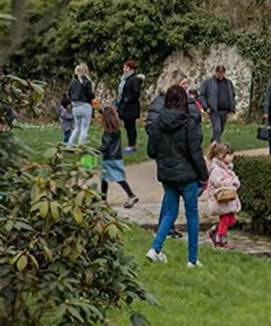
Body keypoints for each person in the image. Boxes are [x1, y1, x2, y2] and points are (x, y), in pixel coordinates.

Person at [146, 86, 209, 267]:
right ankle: (192, 259)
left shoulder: (157, 122)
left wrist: (164, 158)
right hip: (187, 176)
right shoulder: (189, 123)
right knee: (192, 216)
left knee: (169, 213)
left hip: (168, 175)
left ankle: (155, 248)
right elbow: (195, 153)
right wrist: (203, 176)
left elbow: (151, 151)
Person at [98, 107, 139, 208]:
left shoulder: (108, 132)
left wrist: (96, 150)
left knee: (115, 178)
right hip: (116, 156)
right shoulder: (116, 130)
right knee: (105, 178)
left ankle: (130, 195)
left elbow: (106, 146)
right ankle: (103, 199)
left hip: (109, 158)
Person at [205, 142, 241, 250]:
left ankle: (214, 230)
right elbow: (218, 181)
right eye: (229, 155)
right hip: (220, 199)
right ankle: (221, 240)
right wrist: (230, 182)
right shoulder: (216, 169)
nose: (231, 157)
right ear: (221, 156)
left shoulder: (228, 168)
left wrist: (235, 181)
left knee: (231, 219)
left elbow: (234, 177)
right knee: (225, 219)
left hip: (228, 198)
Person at [199, 65, 236, 144]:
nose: (220, 75)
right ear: (216, 72)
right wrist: (206, 107)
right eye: (219, 73)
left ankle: (213, 143)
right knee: (217, 129)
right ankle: (218, 147)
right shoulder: (208, 83)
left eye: (222, 73)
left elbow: (232, 94)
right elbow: (202, 95)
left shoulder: (228, 83)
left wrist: (232, 106)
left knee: (221, 129)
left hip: (225, 110)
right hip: (213, 110)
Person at [115, 60, 144, 153]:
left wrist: (128, 99)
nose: (124, 69)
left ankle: (132, 145)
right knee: (127, 126)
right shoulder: (124, 79)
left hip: (131, 107)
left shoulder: (134, 79)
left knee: (131, 126)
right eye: (124, 67)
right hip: (124, 107)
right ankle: (130, 144)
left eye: (126, 68)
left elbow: (136, 92)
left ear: (131, 69)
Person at [67, 63, 95, 145]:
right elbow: (90, 95)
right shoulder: (87, 82)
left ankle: (70, 144)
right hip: (85, 106)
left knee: (77, 128)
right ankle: (81, 145)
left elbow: (69, 92)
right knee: (84, 129)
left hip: (75, 107)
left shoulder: (72, 81)